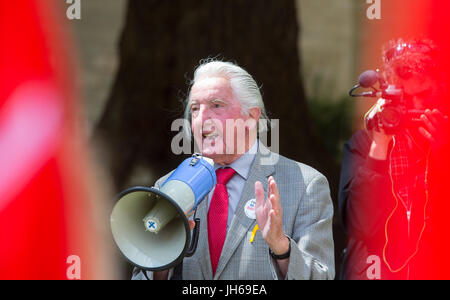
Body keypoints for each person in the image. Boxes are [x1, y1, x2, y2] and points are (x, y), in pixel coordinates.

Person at [132, 60, 335, 280]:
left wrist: (281, 247)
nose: (201, 118)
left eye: (216, 105)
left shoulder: (306, 185)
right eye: (195, 109)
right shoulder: (168, 186)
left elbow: (320, 276)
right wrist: (165, 250)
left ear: (251, 117)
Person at [339, 38, 450, 279]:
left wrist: (442, 155)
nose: (418, 107)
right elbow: (359, 225)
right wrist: (379, 148)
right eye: (407, 100)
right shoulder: (365, 143)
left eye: (426, 95)